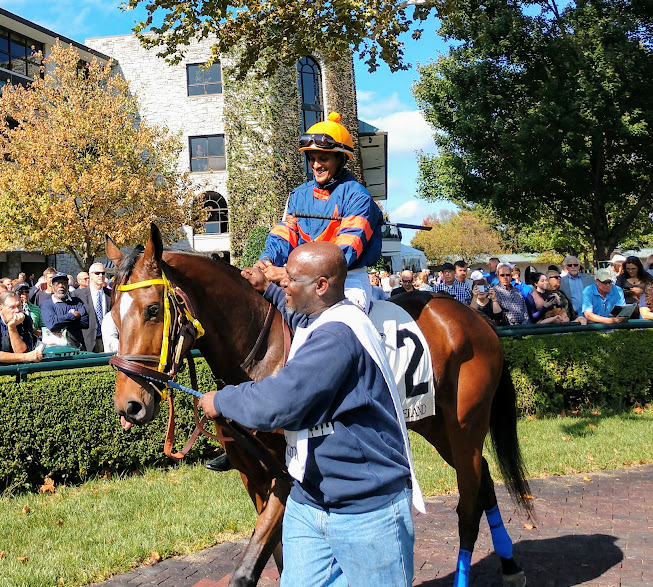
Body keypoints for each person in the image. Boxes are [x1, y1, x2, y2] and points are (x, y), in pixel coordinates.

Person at [198, 242, 422, 586]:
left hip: (366, 509)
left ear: (321, 286)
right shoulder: (322, 315)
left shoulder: (337, 336)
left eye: (290, 278)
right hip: (309, 501)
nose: (283, 281)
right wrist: (267, 287)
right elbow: (296, 315)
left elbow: (281, 402)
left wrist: (223, 400)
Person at [255, 112, 382, 313]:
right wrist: (267, 259)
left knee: (342, 323)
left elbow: (341, 255)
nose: (316, 165)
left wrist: (289, 272)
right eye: (312, 158)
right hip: (301, 280)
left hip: (346, 281)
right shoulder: (298, 195)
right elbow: (286, 233)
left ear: (340, 159)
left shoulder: (358, 197)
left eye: (323, 158)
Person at [40, 272, 89, 348]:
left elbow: (85, 322)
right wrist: (72, 316)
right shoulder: (47, 304)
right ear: (52, 286)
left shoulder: (77, 302)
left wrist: (60, 322)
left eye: (64, 283)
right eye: (57, 284)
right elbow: (52, 324)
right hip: (55, 350)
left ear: (68, 286)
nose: (61, 286)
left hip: (76, 348)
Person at [76, 263, 112, 352]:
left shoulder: (111, 294)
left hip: (107, 339)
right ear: (90, 275)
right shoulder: (77, 295)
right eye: (97, 273)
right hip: (86, 340)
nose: (101, 276)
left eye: (103, 273)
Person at [0, 291, 41, 363]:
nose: (17, 310)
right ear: (1, 308)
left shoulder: (26, 320)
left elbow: (22, 351)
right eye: (12, 307)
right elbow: (26, 356)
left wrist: (12, 328)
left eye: (19, 306)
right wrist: (25, 357)